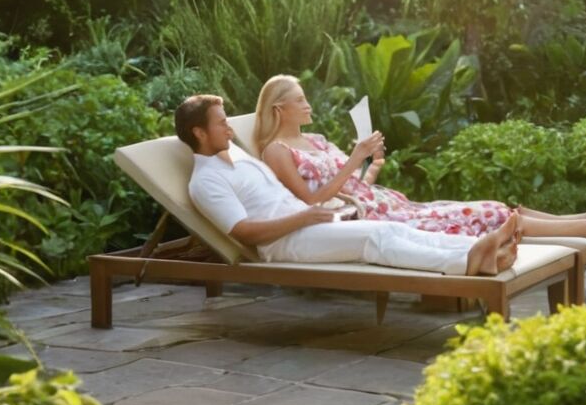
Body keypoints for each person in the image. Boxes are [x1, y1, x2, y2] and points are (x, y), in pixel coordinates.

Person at [175, 94, 522, 277]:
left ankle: (477, 250)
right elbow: (245, 233)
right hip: (283, 242)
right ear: (199, 133)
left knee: (388, 227)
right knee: (374, 239)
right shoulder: (206, 181)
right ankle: (467, 262)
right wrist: (304, 217)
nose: (231, 129)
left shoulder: (233, 154)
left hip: (306, 224)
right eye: (222, 124)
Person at [253, 74, 586, 241]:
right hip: (371, 218)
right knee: (491, 214)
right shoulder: (276, 150)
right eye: (300, 99)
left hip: (382, 202)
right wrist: (355, 159)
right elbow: (311, 201)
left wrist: (372, 168)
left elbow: (350, 187)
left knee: (494, 207)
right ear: (279, 108)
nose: (308, 104)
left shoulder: (315, 139)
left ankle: (584, 218)